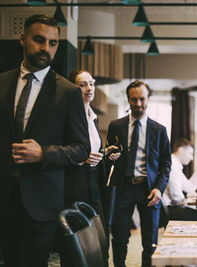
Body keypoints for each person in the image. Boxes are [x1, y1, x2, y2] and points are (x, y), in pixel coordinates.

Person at [0, 14, 90, 266]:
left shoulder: (68, 92)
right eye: (39, 40)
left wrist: (44, 154)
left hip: (41, 204)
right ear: (22, 38)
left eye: (53, 43)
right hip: (4, 200)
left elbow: (82, 148)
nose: (45, 48)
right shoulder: (2, 82)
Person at [106, 80, 171, 267]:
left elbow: (166, 163)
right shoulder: (115, 126)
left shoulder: (159, 130)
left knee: (150, 241)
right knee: (119, 238)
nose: (138, 104)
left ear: (148, 99)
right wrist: (109, 156)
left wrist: (159, 188)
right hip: (123, 187)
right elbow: (109, 156)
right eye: (134, 100)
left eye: (142, 99)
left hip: (149, 189)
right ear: (128, 100)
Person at [63, 70, 120, 266]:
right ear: (72, 89)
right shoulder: (66, 116)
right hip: (74, 184)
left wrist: (105, 153)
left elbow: (93, 152)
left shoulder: (93, 116)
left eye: (92, 83)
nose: (89, 88)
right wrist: (82, 158)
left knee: (100, 240)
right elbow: (67, 151)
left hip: (94, 185)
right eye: (82, 84)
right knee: (79, 246)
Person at [163, 138, 197, 221]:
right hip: (169, 208)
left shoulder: (176, 165)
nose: (192, 158)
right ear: (181, 150)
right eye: (190, 153)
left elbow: (190, 188)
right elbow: (176, 196)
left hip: (171, 207)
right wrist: (185, 201)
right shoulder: (173, 165)